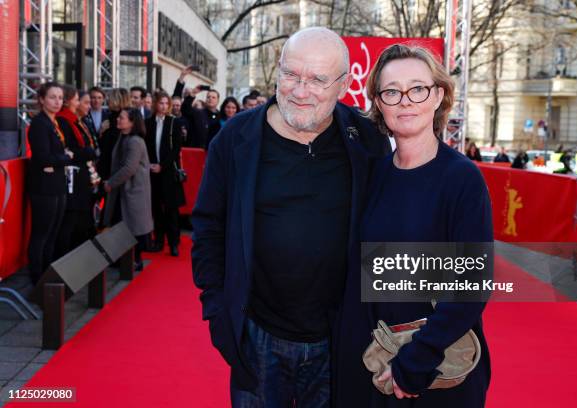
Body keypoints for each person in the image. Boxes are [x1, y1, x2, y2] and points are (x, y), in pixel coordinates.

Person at [191, 27, 390, 407]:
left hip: (340, 338)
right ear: (277, 71)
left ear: (343, 84)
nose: (300, 90)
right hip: (257, 335)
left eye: (317, 79)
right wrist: (217, 309)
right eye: (290, 75)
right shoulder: (235, 140)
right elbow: (208, 226)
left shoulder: (366, 141)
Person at [335, 44, 493, 407]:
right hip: (374, 363)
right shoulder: (373, 175)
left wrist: (416, 361)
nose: (405, 100)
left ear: (438, 95)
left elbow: (472, 285)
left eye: (417, 88)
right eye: (391, 91)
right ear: (378, 102)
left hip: (431, 370)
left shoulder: (462, 179)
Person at [26, 82, 74, 285]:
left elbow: (53, 158)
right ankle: (37, 278)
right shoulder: (39, 124)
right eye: (52, 97)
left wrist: (61, 158)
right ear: (42, 100)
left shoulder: (54, 123)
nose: (57, 101)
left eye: (60, 97)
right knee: (41, 234)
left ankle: (48, 274)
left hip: (57, 183)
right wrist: (65, 157)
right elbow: (44, 157)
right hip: (44, 188)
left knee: (53, 232)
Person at [102, 108, 153, 271]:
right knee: (124, 225)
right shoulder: (124, 137)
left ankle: (134, 260)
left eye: (122, 118)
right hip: (125, 190)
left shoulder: (134, 141)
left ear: (132, 122)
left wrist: (110, 183)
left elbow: (129, 168)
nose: (118, 120)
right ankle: (124, 259)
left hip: (133, 191)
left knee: (134, 227)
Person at [54, 86, 98, 258]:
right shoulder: (64, 121)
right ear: (69, 101)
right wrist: (88, 152)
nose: (81, 104)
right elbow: (69, 150)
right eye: (78, 100)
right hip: (73, 179)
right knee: (71, 222)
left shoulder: (76, 121)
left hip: (82, 177)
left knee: (82, 220)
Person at [144, 90, 186, 256]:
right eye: (160, 103)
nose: (163, 106)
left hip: (168, 171)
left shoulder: (174, 122)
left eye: (165, 103)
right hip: (152, 171)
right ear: (155, 104)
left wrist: (162, 165)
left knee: (172, 209)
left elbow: (176, 149)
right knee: (156, 209)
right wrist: (150, 164)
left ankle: (174, 243)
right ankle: (159, 240)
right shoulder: (148, 123)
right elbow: (146, 146)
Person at [173, 68, 210, 148]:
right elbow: (177, 94)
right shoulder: (177, 103)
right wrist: (182, 76)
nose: (188, 96)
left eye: (189, 94)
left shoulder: (193, 113)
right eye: (186, 94)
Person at [98, 88, 131, 181]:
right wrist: (101, 132)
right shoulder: (110, 116)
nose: (107, 100)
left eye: (110, 98)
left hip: (115, 165)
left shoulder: (121, 119)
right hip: (109, 164)